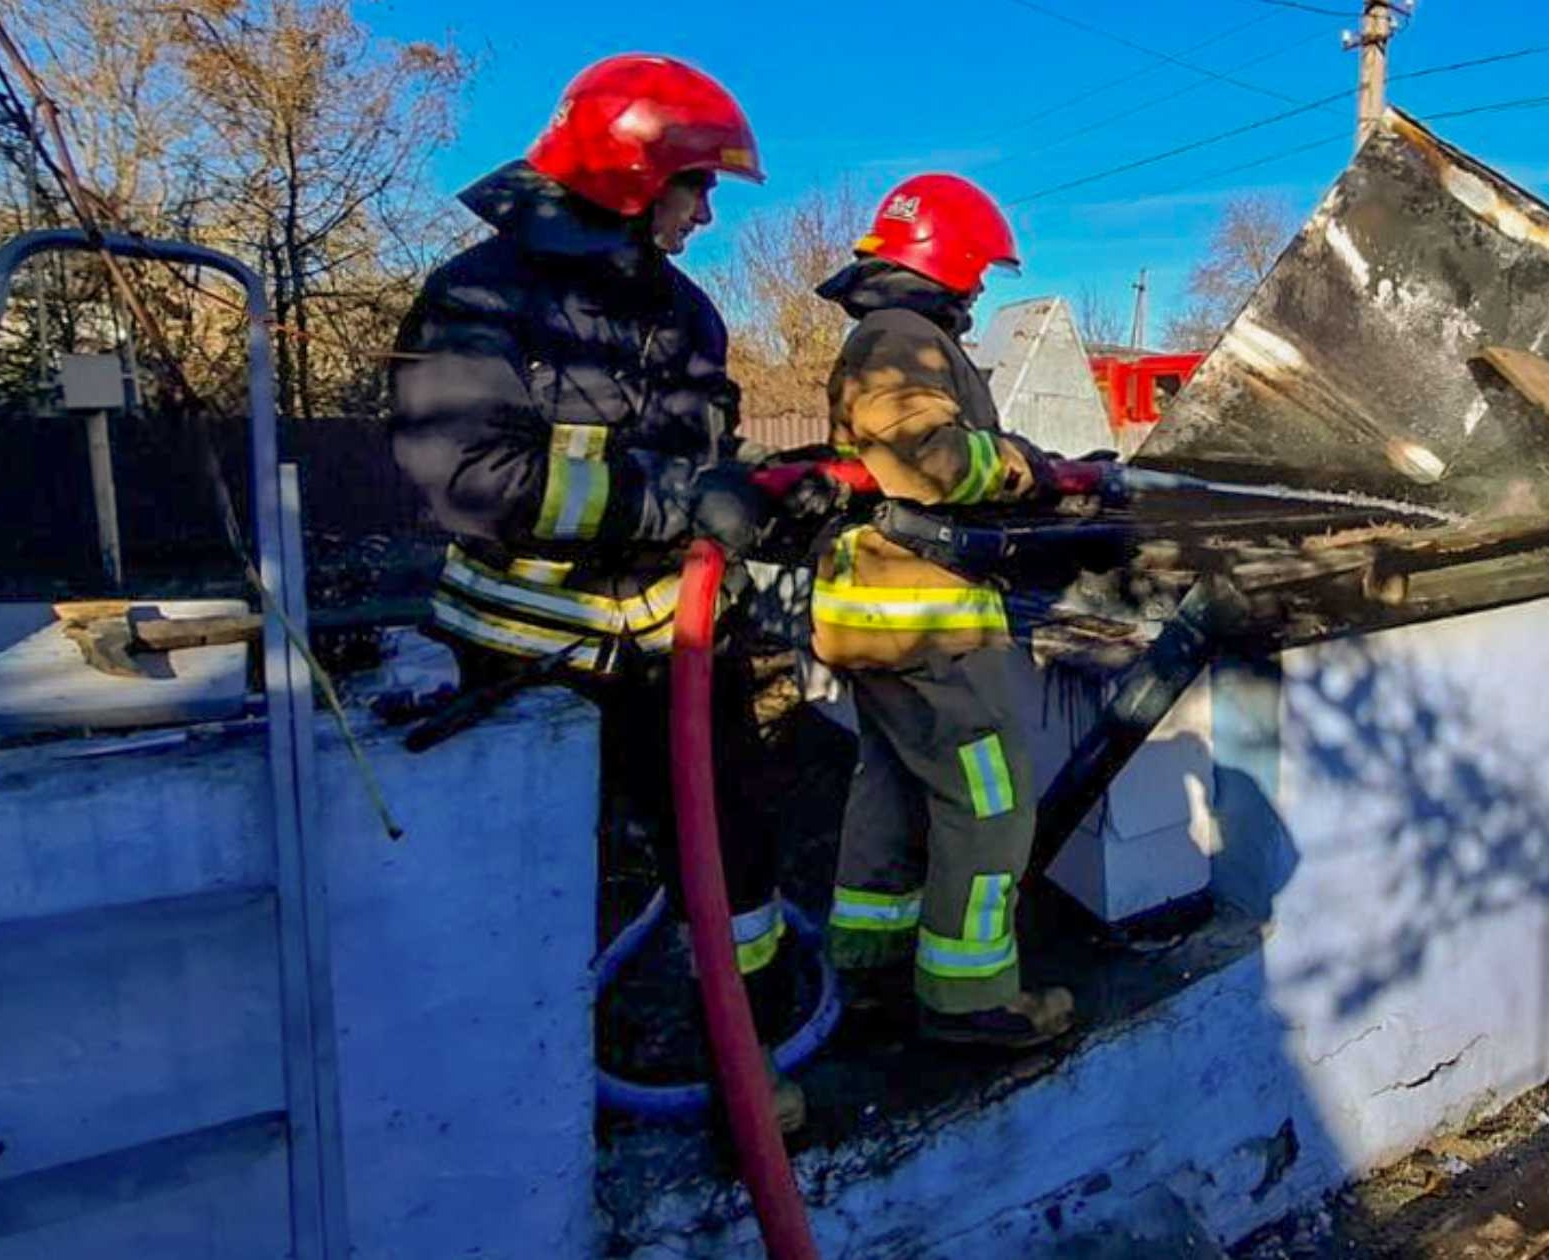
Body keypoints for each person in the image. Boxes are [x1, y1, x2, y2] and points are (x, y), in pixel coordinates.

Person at [389, 54, 803, 1127]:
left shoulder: (685, 312)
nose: (706, 213)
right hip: (525, 663)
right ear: (632, 177)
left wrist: (761, 491)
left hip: (677, 652)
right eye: (695, 186)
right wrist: (679, 503)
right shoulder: (480, 296)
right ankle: (511, 1096)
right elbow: (470, 479)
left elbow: (701, 460)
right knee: (535, 883)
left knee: (735, 857)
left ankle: (744, 1065)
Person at [811, 173, 1077, 1049]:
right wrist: (1027, 470)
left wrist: (1016, 455)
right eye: (980, 269)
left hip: (884, 613)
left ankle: (871, 962)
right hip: (923, 620)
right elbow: (931, 461)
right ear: (949, 259)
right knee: (990, 800)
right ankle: (970, 999)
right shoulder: (902, 336)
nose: (982, 286)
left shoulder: (891, 333)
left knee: (891, 786)